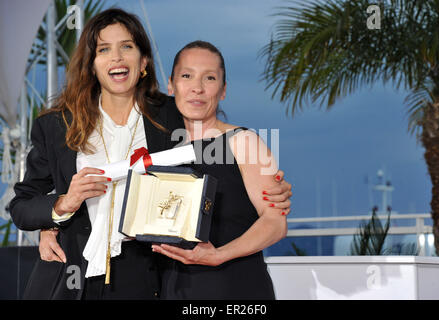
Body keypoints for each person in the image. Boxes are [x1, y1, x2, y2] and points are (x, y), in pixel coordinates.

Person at [10, 9, 292, 300]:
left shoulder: (172, 116)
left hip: (147, 277)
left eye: (127, 47)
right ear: (91, 64)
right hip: (71, 278)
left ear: (143, 61)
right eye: (104, 49)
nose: (117, 57)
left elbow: (221, 143)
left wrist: (273, 186)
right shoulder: (57, 125)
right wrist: (59, 209)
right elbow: (22, 205)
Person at [151, 40, 288, 300]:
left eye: (210, 78)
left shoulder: (243, 142)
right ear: (171, 84)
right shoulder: (158, 148)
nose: (197, 88)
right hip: (173, 290)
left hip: (236, 288)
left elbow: (276, 223)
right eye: (187, 76)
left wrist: (218, 255)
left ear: (223, 90)